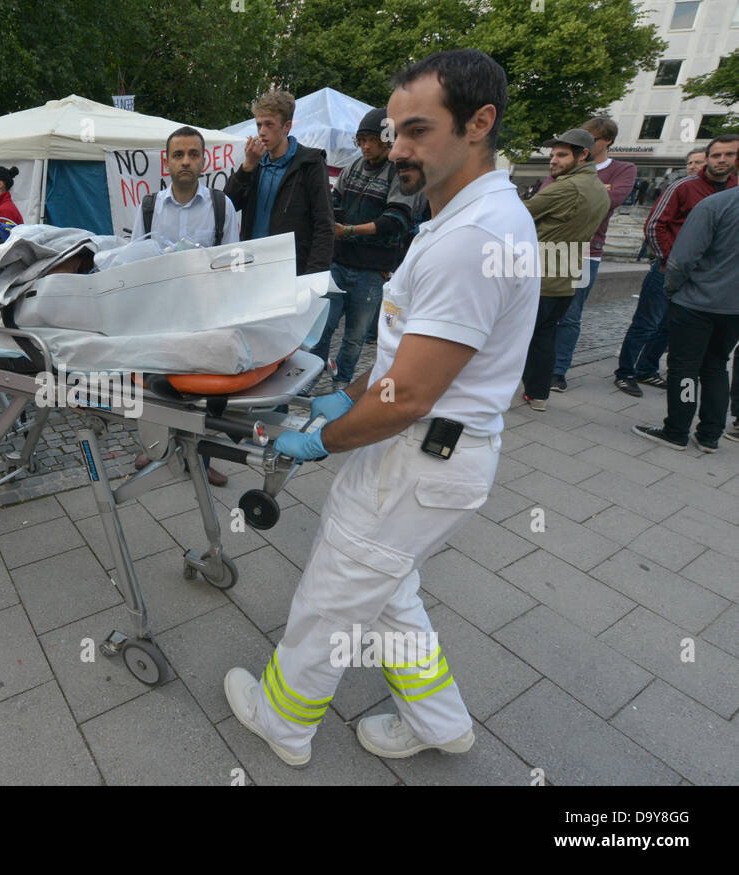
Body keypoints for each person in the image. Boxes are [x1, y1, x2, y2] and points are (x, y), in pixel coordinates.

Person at [223, 50, 538, 767]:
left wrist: (325, 435)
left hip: (417, 455)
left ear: (480, 122)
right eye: (394, 129)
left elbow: (414, 392)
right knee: (389, 588)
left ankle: (283, 719)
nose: (397, 148)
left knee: (335, 591)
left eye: (417, 129)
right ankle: (441, 721)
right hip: (436, 452)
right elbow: (406, 360)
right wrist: (351, 390)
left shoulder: (471, 238)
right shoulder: (470, 217)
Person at [128, 125, 239, 487]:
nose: (186, 161)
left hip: (207, 314)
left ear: (204, 160)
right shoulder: (149, 207)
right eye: (178, 155)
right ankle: (158, 446)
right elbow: (135, 260)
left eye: (193, 154)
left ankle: (203, 458)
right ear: (167, 162)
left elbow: (233, 264)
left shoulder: (222, 206)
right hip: (160, 314)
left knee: (207, 389)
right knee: (156, 381)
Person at [614, 134, 738, 397]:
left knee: (669, 327)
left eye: (729, 154)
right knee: (646, 322)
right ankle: (625, 373)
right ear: (708, 158)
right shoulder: (684, 186)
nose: (722, 160)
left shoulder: (734, 190)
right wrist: (668, 261)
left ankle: (647, 369)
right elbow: (655, 225)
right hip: (670, 269)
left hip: (707, 279)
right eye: (716, 155)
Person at [311, 107, 421, 390]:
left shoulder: (399, 174)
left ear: (389, 140)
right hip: (338, 263)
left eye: (372, 139)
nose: (365, 146)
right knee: (323, 329)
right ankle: (309, 380)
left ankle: (342, 385)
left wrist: (348, 231)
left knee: (355, 337)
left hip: (372, 271)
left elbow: (395, 220)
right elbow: (335, 205)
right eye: (361, 139)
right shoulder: (351, 168)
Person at [633, 183, 739, 452]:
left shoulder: (716, 205)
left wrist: (672, 289)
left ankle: (677, 429)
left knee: (685, 369)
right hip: (733, 309)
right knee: (716, 366)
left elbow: (683, 257)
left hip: (697, 302)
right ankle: (710, 434)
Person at [519, 128, 608, 410]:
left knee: (514, 335)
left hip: (540, 275)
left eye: (561, 155)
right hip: (567, 276)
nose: (553, 160)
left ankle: (490, 392)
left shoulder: (567, 187)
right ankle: (538, 394)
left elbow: (521, 212)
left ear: (583, 155)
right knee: (545, 335)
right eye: (552, 154)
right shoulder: (599, 190)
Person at [549, 118, 637, 393]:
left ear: (607, 141)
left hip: (587, 253)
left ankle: (557, 371)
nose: (582, 143)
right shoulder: (565, 162)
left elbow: (610, 202)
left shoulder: (623, 169)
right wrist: (595, 191)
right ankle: (531, 364)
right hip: (550, 248)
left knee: (570, 315)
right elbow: (545, 198)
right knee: (538, 311)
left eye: (591, 137)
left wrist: (577, 193)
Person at [224, 89, 333, 276]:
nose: (262, 132)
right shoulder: (255, 162)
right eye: (259, 124)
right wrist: (247, 167)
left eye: (269, 124)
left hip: (291, 269)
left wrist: (315, 275)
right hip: (251, 265)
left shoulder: (310, 163)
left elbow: (324, 224)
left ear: (286, 126)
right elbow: (227, 206)